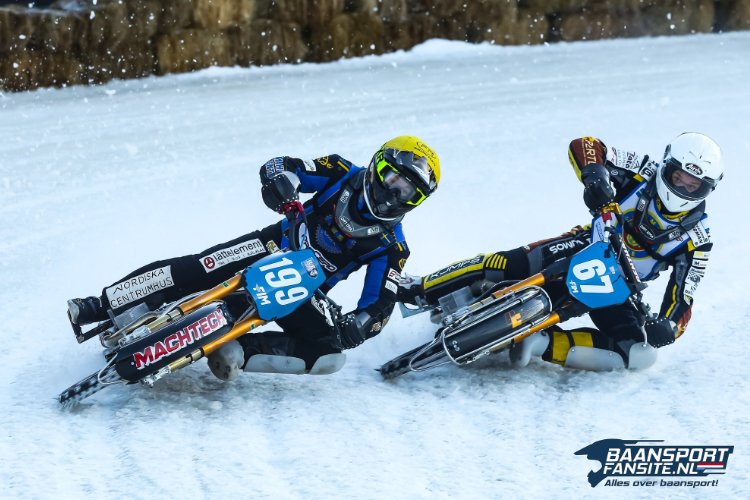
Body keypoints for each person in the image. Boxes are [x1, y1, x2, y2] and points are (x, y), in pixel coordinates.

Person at [67, 136, 440, 380]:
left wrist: (360, 326)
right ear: (379, 166)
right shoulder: (341, 171)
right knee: (196, 268)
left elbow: (380, 304)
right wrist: (282, 185)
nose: (395, 195)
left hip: (304, 291)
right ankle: (100, 305)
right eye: (394, 180)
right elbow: (281, 165)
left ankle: (237, 352)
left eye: (409, 193)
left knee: (330, 356)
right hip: (272, 245)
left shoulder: (394, 247)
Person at [399, 133, 722, 371]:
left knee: (640, 354)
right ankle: (420, 287)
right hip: (583, 246)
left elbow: (684, 299)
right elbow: (585, 145)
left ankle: (539, 344)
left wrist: (668, 327)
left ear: (708, 189)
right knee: (502, 265)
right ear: (666, 166)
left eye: (694, 185)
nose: (682, 188)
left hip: (619, 291)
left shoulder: (699, 240)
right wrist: (594, 177)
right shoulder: (643, 169)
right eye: (678, 177)